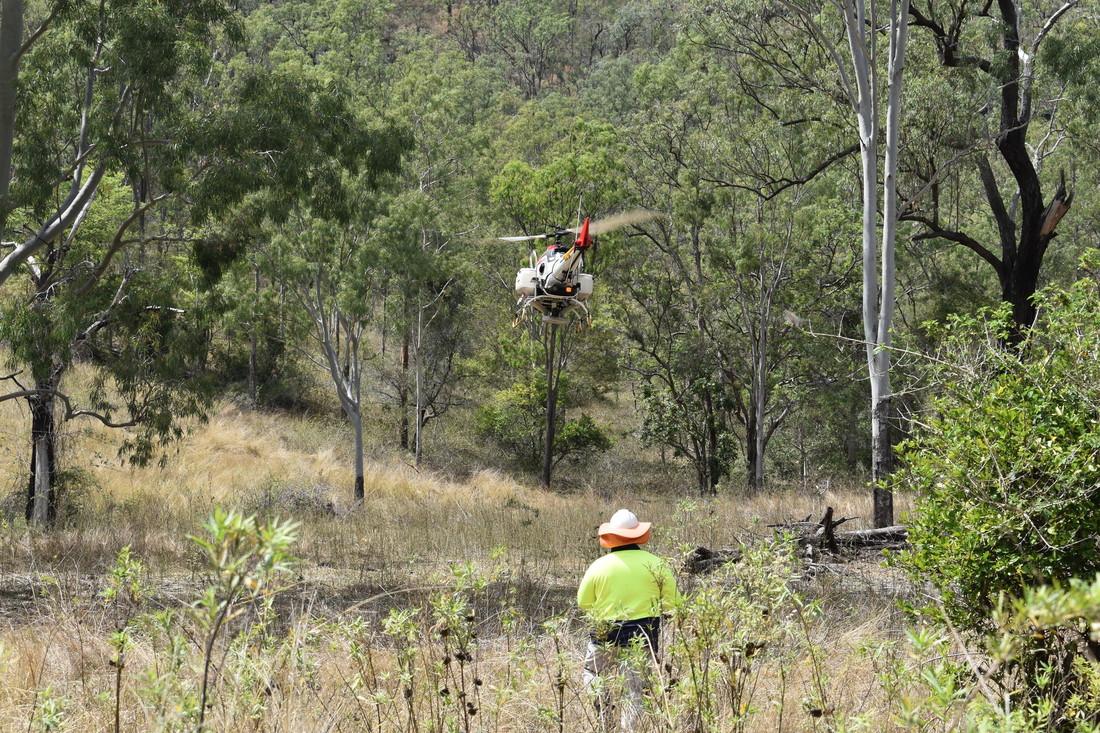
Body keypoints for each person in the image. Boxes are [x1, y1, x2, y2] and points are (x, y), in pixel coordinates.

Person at [577, 509, 680, 731]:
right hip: (643, 634)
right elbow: (671, 606)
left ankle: (604, 716)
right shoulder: (657, 564)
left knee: (593, 672)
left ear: (612, 536)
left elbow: (584, 603)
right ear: (638, 536)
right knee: (635, 687)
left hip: (604, 631)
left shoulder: (599, 566)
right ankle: (630, 728)